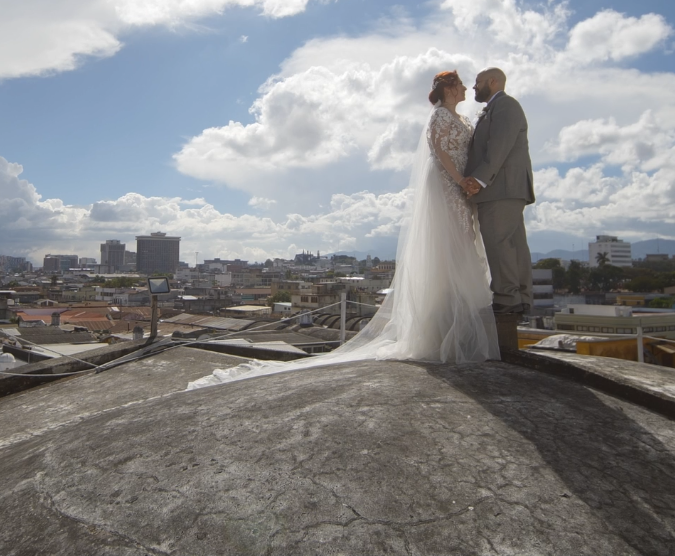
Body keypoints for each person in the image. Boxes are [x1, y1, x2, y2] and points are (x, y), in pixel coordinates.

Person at [187, 70, 499, 390]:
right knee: (445, 248)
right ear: (449, 88)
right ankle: (441, 332)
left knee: (461, 247)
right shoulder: (439, 117)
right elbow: (440, 153)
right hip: (446, 187)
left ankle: (457, 328)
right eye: (460, 84)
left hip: (461, 190)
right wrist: (461, 181)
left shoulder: (463, 119)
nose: (465, 88)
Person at [462, 68, 535, 314]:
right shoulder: (497, 107)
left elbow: (499, 147)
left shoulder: (505, 105)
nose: (474, 87)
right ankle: (520, 297)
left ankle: (507, 299)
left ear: (493, 82)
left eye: (478, 82)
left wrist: (478, 180)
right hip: (506, 187)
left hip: (500, 187)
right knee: (513, 243)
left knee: (498, 242)